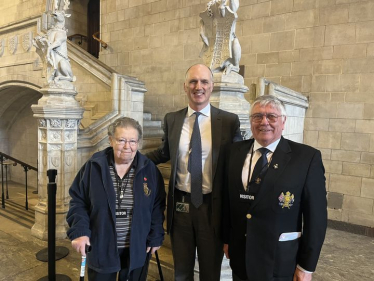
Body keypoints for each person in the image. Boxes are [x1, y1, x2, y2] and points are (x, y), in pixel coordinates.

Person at [146, 63, 242, 280]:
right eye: (193, 81)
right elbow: (163, 153)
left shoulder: (228, 121)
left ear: (212, 86)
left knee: (210, 272)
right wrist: (130, 158)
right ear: (185, 86)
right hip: (181, 206)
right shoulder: (172, 119)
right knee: (181, 271)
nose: (198, 86)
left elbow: (239, 160)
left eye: (204, 81)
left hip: (212, 208)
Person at [223, 95, 327, 281]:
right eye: (257, 117)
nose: (264, 122)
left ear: (283, 121)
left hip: (279, 262)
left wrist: (307, 266)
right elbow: (227, 200)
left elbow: (316, 218)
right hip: (241, 257)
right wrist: (227, 239)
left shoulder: (306, 158)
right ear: (251, 121)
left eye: (271, 116)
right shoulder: (233, 152)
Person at [66, 117, 166, 281]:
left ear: (139, 143)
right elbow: (78, 201)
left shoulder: (150, 170)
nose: (128, 146)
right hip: (102, 245)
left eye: (133, 141)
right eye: (121, 140)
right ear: (110, 140)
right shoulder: (94, 167)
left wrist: (156, 236)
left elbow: (157, 206)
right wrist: (80, 231)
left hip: (137, 248)